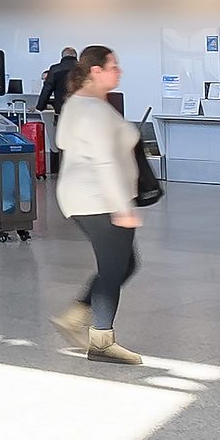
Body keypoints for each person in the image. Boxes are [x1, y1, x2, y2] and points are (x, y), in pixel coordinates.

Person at [52, 44, 147, 364]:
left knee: (126, 264)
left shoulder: (78, 104)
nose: (118, 72)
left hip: (83, 196)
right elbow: (105, 161)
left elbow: (61, 142)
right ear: (96, 71)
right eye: (113, 66)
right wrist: (122, 207)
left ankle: (75, 316)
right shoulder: (93, 110)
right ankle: (102, 341)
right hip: (99, 198)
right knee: (113, 268)